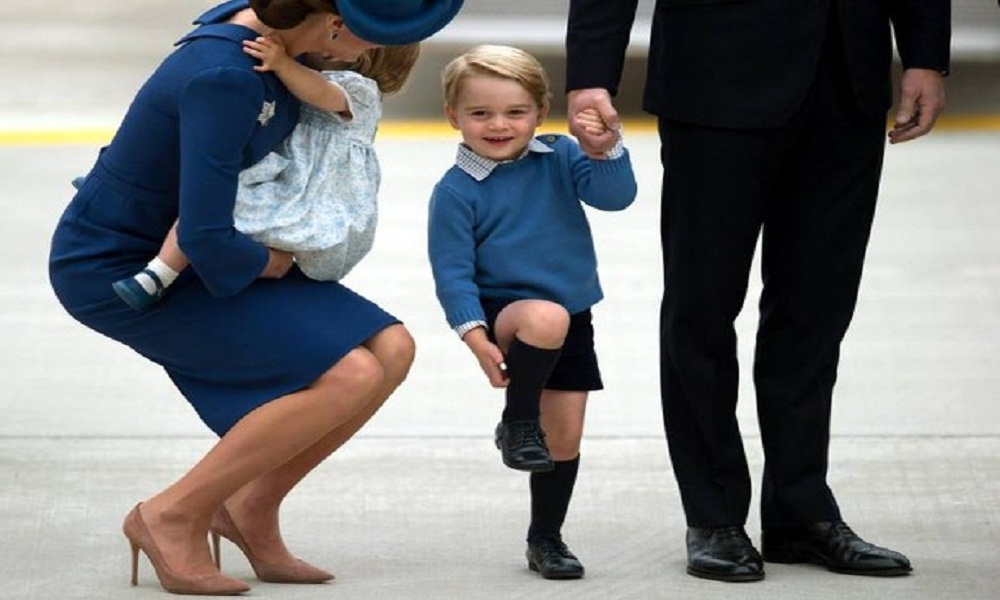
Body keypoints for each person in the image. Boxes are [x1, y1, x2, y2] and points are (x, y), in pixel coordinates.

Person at [48, 0, 462, 595]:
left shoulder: (272, 38)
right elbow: (202, 235)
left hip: (216, 244)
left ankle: (249, 506)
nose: (372, 56)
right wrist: (279, 262)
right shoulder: (226, 76)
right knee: (348, 374)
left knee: (392, 348)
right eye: (371, 40)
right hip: (126, 264)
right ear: (334, 24)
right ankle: (171, 514)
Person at [565, 0, 949, 583]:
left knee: (816, 311)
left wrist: (925, 54)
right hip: (716, 75)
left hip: (846, 77)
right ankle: (714, 515)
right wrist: (592, 73)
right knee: (703, 307)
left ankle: (801, 511)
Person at [427, 44, 637, 580]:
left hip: (572, 315)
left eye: (515, 112)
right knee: (546, 318)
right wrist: (474, 336)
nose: (498, 125)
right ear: (453, 116)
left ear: (541, 113)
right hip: (507, 316)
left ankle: (546, 538)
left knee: (563, 439)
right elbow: (453, 273)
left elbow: (616, 198)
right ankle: (518, 420)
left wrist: (604, 149)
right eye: (480, 112)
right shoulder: (455, 191)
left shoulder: (561, 156)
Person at [110, 36, 420, 310]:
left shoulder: (360, 90)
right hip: (292, 174)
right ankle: (158, 252)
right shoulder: (325, 77)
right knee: (214, 197)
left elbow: (320, 92)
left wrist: (283, 63)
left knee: (219, 202)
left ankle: (163, 273)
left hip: (309, 187)